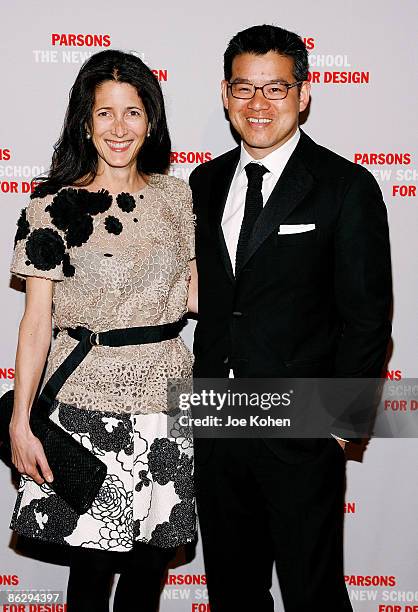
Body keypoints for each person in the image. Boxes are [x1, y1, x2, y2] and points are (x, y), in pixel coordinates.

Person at [189, 24, 392, 611]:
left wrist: (337, 423)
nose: (258, 104)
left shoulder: (345, 186)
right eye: (244, 88)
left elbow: (368, 317)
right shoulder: (202, 183)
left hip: (301, 425)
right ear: (225, 95)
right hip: (218, 419)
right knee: (232, 589)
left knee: (313, 592)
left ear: (303, 94)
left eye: (275, 88)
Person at [8, 49, 197, 612]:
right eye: (105, 113)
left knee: (149, 570)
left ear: (151, 120)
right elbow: (36, 324)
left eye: (133, 112)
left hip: (168, 404)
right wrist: (21, 421)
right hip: (87, 408)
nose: (119, 127)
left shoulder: (176, 196)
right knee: (90, 572)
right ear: (85, 125)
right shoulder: (50, 207)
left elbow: (194, 293)